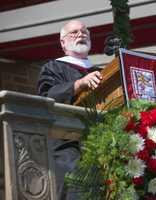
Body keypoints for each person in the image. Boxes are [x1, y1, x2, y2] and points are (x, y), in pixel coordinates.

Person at [37, 20, 102, 200]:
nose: (81, 34)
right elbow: (47, 96)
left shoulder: (100, 71)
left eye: (84, 32)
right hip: (66, 144)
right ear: (63, 42)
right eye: (74, 32)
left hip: (100, 142)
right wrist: (79, 84)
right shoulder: (53, 68)